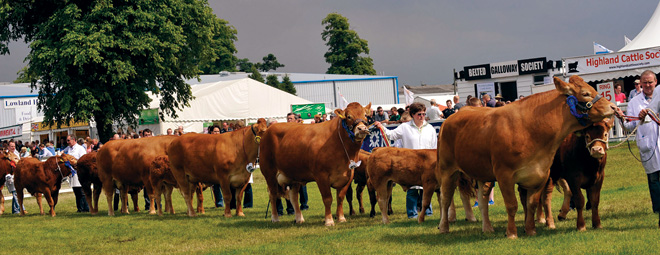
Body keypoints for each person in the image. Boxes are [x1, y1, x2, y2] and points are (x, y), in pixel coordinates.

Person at [375, 102, 437, 219]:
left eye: (424, 114)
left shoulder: (430, 129)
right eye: (419, 114)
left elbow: (434, 147)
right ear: (412, 114)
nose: (422, 116)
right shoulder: (405, 127)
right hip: (410, 163)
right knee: (412, 189)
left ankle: (428, 213)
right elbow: (391, 135)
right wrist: (381, 126)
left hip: (427, 164)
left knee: (427, 188)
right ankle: (412, 214)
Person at [622, 70, 660, 228]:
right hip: (647, 144)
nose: (648, 85)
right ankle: (657, 209)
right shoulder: (633, 102)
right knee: (653, 179)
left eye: (650, 82)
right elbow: (629, 125)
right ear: (641, 84)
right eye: (645, 82)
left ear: (655, 82)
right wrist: (631, 118)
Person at [62, 134, 90, 213]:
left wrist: (74, 163)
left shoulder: (80, 148)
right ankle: (79, 208)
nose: (67, 142)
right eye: (67, 141)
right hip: (72, 173)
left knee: (82, 192)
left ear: (74, 140)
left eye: (68, 140)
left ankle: (86, 208)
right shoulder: (69, 149)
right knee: (76, 191)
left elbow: (84, 160)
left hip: (79, 172)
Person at [209, 125, 225, 208]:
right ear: (211, 132)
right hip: (212, 167)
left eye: (218, 131)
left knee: (224, 185)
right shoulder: (208, 142)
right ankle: (219, 203)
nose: (216, 133)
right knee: (216, 186)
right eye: (215, 131)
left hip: (222, 166)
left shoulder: (223, 141)